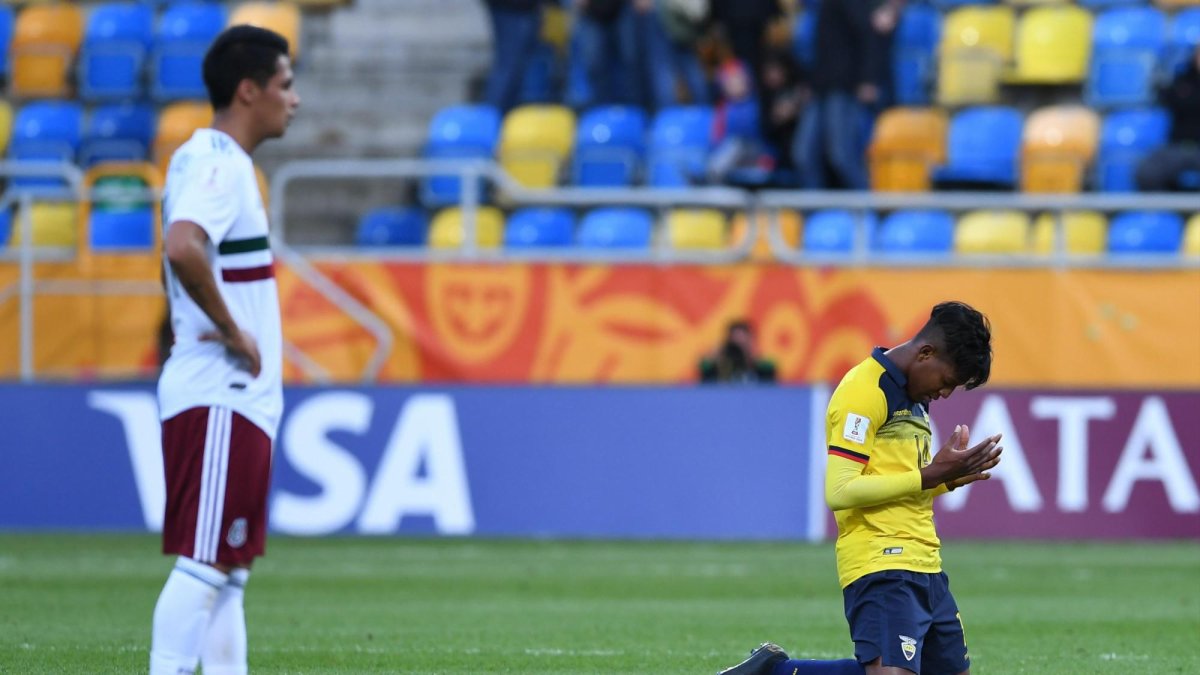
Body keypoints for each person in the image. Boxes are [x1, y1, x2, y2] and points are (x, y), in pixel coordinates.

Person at [717, 301, 1004, 675]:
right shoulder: (864, 390)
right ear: (926, 353)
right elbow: (840, 490)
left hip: (926, 563)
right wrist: (928, 477)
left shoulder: (916, 399)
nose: (945, 394)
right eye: (947, 382)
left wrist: (945, 479)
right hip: (881, 560)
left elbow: (899, 481)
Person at [150, 25, 299, 675]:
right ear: (249, 91)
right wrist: (235, 330)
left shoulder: (212, 160)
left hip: (236, 396)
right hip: (220, 389)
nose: (294, 100)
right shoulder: (218, 164)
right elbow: (183, 244)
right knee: (205, 561)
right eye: (284, 85)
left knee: (228, 568)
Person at [793, 0, 887, 189]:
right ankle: (816, 213)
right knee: (803, 154)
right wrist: (810, 83)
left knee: (842, 155)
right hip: (820, 88)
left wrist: (868, 79)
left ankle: (867, 208)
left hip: (844, 88)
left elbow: (869, 36)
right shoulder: (822, 6)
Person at [1135, 44, 1200, 192]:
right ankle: (1164, 210)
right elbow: (1164, 97)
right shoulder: (1181, 82)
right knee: (1147, 172)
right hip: (1177, 146)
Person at [484, 0, 547, 113]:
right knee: (508, 68)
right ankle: (492, 118)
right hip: (511, 9)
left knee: (522, 70)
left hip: (526, 8)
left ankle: (513, 117)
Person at [699, 319, 776, 383]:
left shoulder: (760, 367)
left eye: (743, 341)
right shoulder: (720, 367)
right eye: (735, 341)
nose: (739, 348)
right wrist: (715, 356)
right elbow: (704, 368)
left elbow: (770, 370)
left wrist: (754, 357)